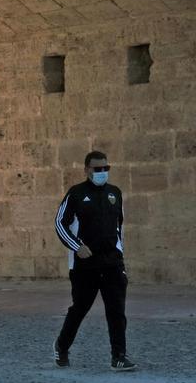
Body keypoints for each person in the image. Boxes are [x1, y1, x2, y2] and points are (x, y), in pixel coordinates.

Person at [53, 150, 135, 371]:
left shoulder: (115, 193)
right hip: (85, 265)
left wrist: (120, 256)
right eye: (97, 169)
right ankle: (61, 346)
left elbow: (120, 228)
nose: (102, 172)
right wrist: (77, 246)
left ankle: (119, 356)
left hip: (112, 264)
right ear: (87, 170)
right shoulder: (76, 194)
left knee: (116, 311)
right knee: (80, 308)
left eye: (105, 169)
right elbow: (60, 223)